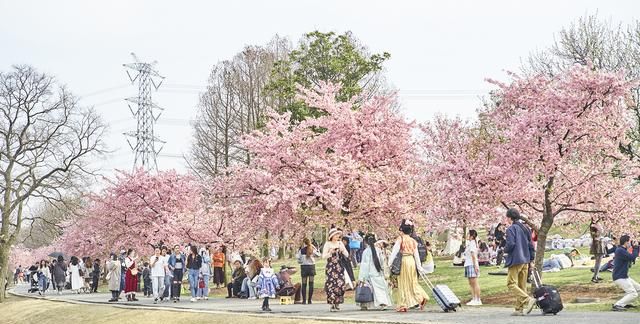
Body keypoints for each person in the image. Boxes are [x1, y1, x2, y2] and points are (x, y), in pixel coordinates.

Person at [389, 219, 429, 312]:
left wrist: (389, 263)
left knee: (403, 282)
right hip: (412, 262)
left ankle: (402, 305)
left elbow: (394, 252)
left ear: (402, 231)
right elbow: (416, 255)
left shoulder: (401, 239)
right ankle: (421, 297)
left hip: (404, 261)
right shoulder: (413, 241)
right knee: (413, 281)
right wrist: (419, 267)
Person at [504, 208, 536, 316]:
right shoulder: (526, 228)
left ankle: (528, 300)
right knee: (522, 285)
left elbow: (511, 244)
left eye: (507, 217)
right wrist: (531, 259)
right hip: (525, 259)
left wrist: (504, 250)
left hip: (516, 259)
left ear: (509, 218)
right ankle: (519, 309)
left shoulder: (510, 229)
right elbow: (531, 245)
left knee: (510, 283)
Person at [358, 233, 392, 310]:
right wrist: (383, 270)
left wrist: (362, 277)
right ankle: (383, 303)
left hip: (369, 273)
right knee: (380, 289)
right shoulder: (378, 250)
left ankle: (365, 304)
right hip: (378, 272)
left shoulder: (366, 252)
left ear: (366, 242)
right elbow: (382, 262)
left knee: (367, 289)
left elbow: (364, 265)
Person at [323, 227, 349, 312]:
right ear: (332, 236)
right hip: (331, 267)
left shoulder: (340, 243)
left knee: (340, 284)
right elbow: (323, 256)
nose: (337, 236)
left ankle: (338, 302)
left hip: (339, 266)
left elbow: (347, 254)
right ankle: (332, 303)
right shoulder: (327, 244)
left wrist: (342, 250)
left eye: (338, 235)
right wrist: (330, 253)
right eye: (336, 235)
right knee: (331, 285)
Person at [611, 235, 640, 311]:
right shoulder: (620, 250)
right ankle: (617, 305)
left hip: (624, 276)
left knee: (639, 289)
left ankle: (624, 304)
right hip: (620, 277)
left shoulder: (622, 249)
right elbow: (632, 257)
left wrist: (635, 247)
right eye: (629, 242)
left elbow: (632, 257)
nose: (630, 244)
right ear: (626, 242)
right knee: (633, 293)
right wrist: (636, 247)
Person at [296, 238, 320, 304]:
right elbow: (318, 255)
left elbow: (298, 259)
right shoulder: (312, 249)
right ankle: (309, 300)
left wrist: (301, 261)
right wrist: (316, 247)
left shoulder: (301, 250)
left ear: (304, 243)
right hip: (311, 267)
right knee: (311, 284)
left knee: (304, 284)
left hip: (304, 267)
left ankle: (304, 300)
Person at [464, 229, 482, 306]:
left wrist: (475, 266)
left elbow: (473, 255)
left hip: (471, 264)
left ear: (471, 236)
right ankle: (474, 298)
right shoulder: (470, 243)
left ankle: (477, 299)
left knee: (474, 283)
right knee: (471, 283)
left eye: (468, 234)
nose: (467, 235)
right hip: (468, 264)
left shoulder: (472, 243)